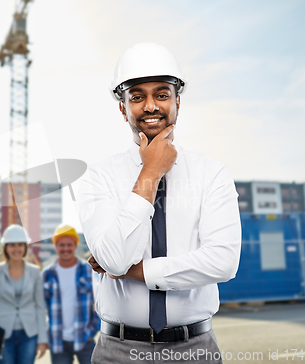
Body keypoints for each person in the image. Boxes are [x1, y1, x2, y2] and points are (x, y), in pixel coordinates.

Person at [76, 42, 242, 363]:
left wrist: (136, 271)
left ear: (177, 101)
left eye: (162, 94)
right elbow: (112, 260)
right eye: (137, 96)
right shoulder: (100, 177)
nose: (150, 106)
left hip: (195, 348)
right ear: (123, 108)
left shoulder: (211, 174)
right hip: (118, 350)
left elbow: (222, 261)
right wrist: (151, 173)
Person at [0, 224, 48, 364]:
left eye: (20, 244)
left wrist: (42, 339)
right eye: (12, 245)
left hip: (29, 334)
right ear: (5, 248)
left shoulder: (35, 272)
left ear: (25, 247)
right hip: (1, 333)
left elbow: (40, 307)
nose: (16, 249)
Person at [42, 224, 100, 364]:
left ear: (75, 245)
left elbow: (101, 302)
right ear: (55, 246)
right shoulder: (47, 274)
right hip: (59, 342)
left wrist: (92, 331)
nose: (66, 249)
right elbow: (39, 308)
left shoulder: (88, 271)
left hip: (85, 339)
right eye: (61, 245)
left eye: (69, 244)